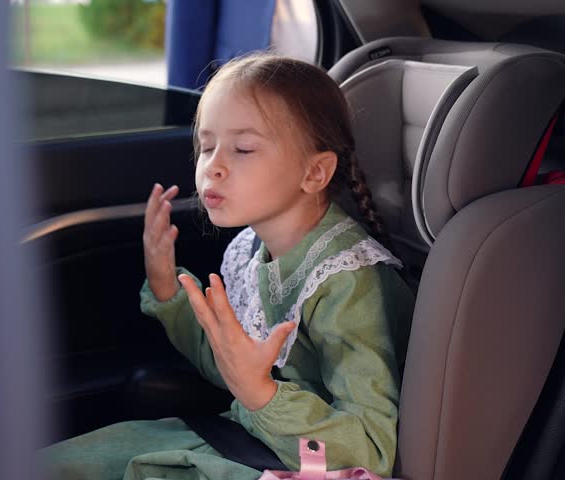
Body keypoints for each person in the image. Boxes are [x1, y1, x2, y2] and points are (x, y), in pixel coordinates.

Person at [43, 53, 415, 480]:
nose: (213, 167)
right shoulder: (251, 247)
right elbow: (228, 366)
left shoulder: (348, 282)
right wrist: (168, 286)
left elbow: (371, 449)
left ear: (315, 172)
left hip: (296, 463)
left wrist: (261, 393)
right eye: (206, 145)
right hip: (242, 436)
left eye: (242, 148)